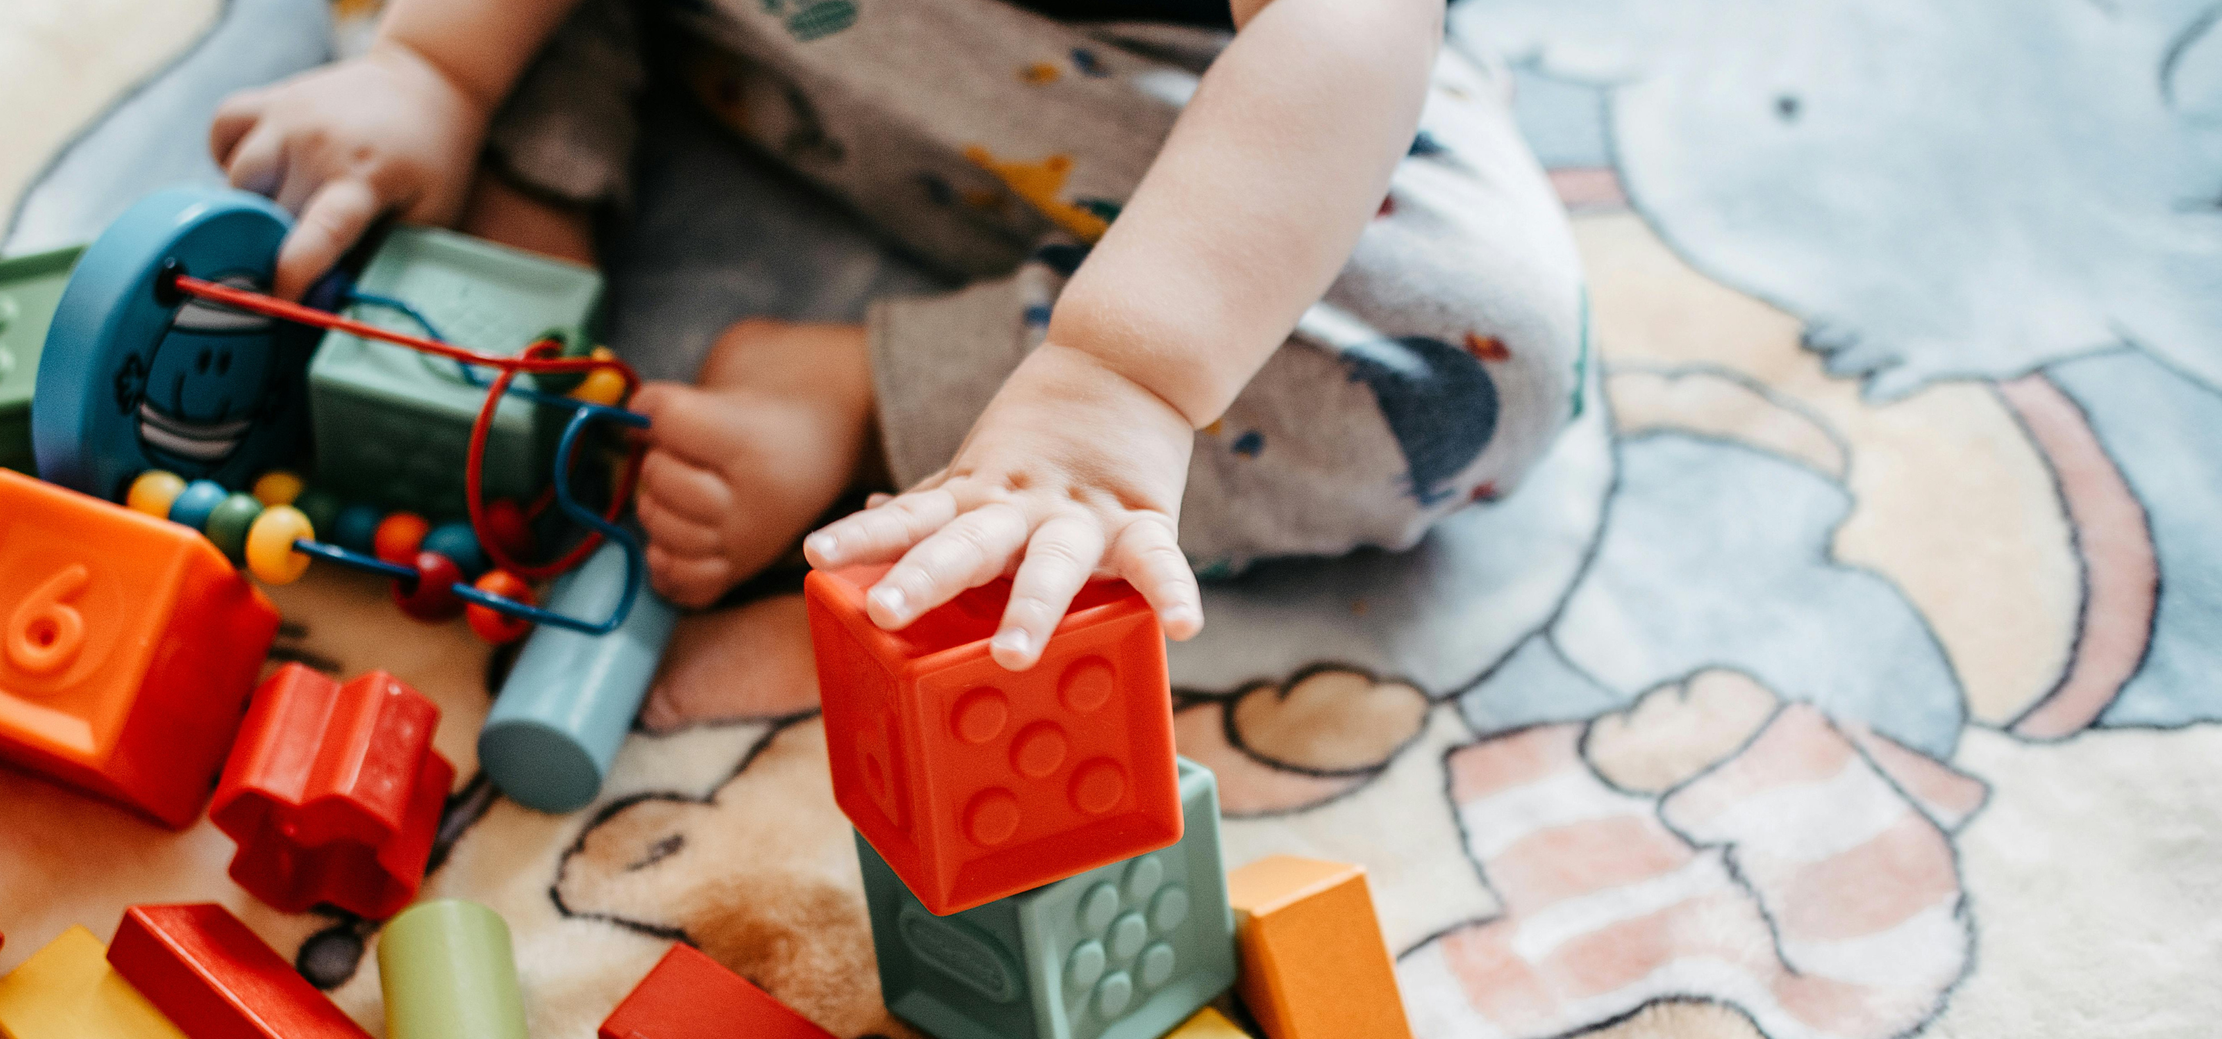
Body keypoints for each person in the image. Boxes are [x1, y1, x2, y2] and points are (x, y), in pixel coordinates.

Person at [211, 0, 1584, 670]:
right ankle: (525, 163)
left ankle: (855, 395)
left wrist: (1117, 382)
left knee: (1475, 360)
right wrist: (433, 67)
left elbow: (1340, 41)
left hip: (1195, 93)